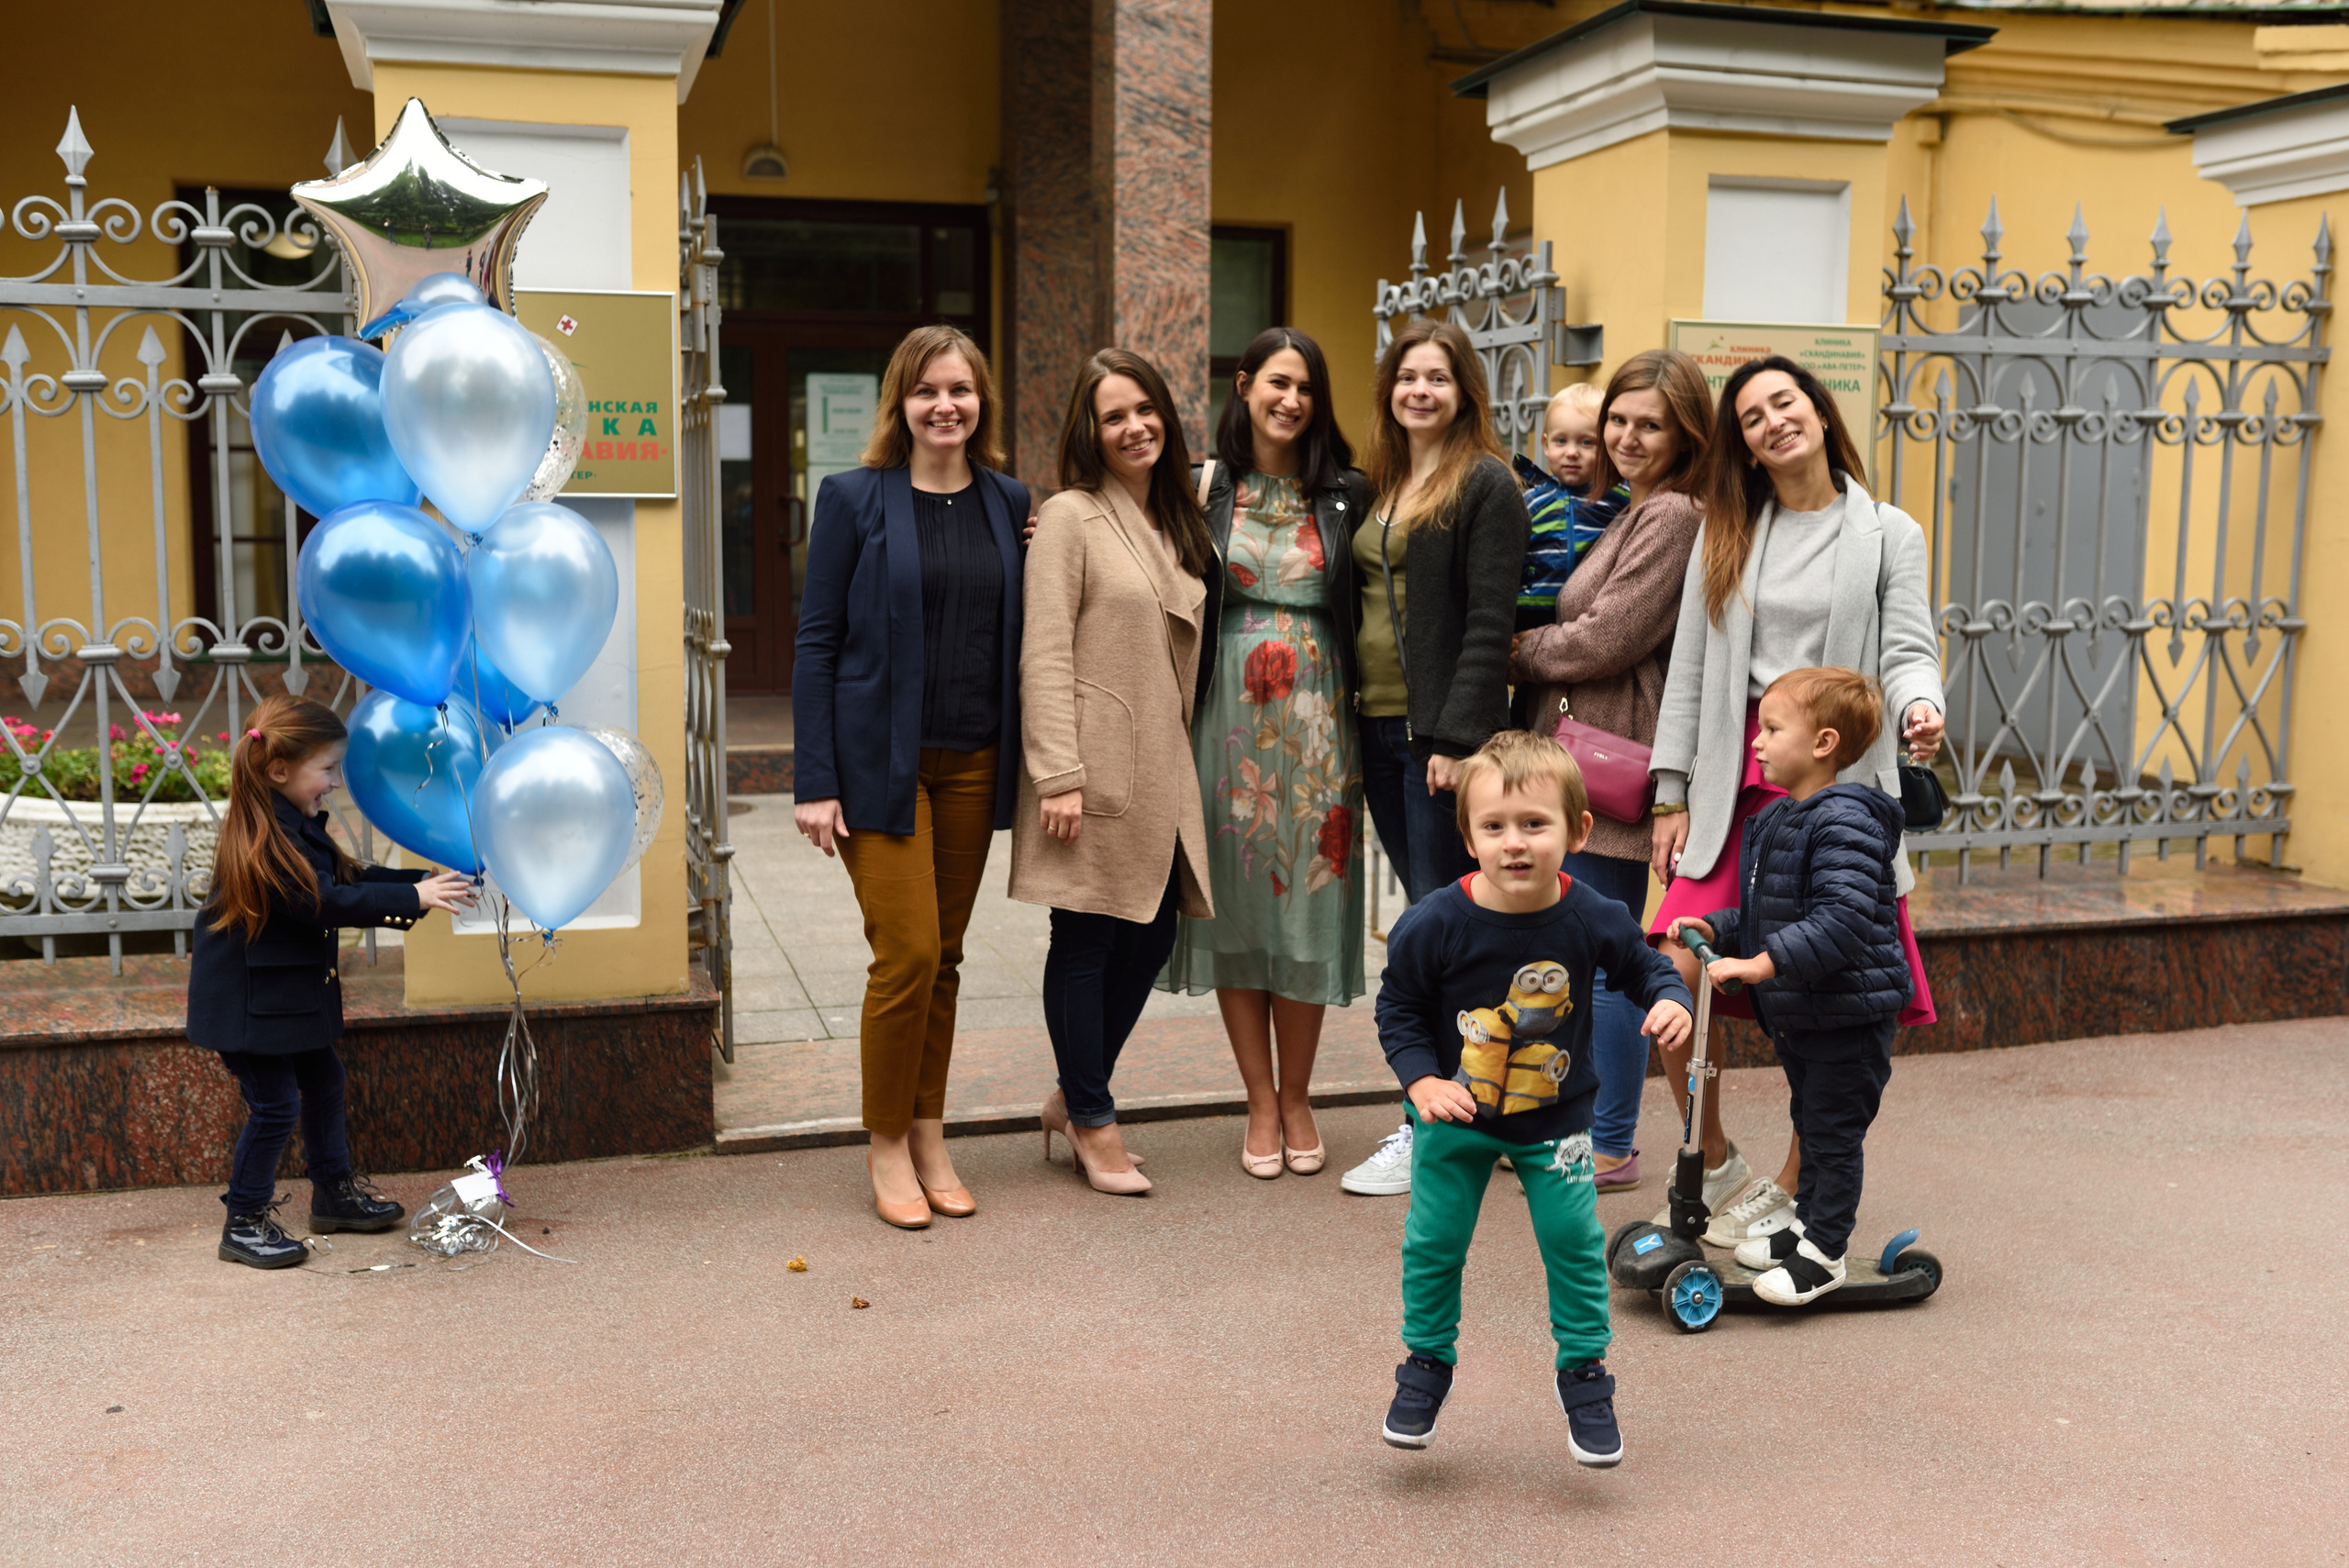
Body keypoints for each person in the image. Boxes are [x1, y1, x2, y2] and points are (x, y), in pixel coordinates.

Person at [1648, 355, 1946, 1246]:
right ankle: (1714, 1158)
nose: (1771, 420)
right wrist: (1669, 791)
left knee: (1825, 998)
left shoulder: (1889, 531)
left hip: (1833, 787)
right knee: (1675, 973)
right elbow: (1691, 671)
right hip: (1732, 779)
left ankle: (1794, 1179)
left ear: (1817, 411)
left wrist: (1919, 704)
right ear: (1740, 442)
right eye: (1750, 415)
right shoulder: (1727, 528)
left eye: (1784, 402)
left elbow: (1905, 648)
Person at [1372, 731, 1692, 1462]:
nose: (1514, 843)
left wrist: (1670, 997)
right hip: (1455, 1118)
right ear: (1469, 834)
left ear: (1578, 830)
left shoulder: (1594, 914)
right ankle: (1426, 1362)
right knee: (1433, 1243)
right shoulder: (1436, 922)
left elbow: (1648, 968)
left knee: (1575, 1246)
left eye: (1534, 824)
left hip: (1558, 1126)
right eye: (1494, 826)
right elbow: (1399, 1009)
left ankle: (1583, 1371)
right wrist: (1421, 1081)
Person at [791, 325, 1030, 1229]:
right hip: (876, 767)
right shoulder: (855, 498)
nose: (945, 405)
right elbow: (815, 641)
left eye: (961, 390)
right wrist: (816, 778)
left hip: (972, 761)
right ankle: (886, 1138)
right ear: (901, 402)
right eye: (928, 390)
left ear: (981, 404)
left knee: (951, 958)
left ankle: (930, 1130)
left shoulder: (1010, 501)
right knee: (910, 953)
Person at [1160, 327, 1367, 1179]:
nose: (1291, 401)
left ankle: (1299, 1095)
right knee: (1239, 905)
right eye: (1278, 383)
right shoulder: (1203, 485)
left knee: (1309, 905)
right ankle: (1256, 1096)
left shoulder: (1349, 492)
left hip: (1321, 722)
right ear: (1243, 385)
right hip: (1226, 720)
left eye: (1307, 389)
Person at [1012, 348, 1217, 1197]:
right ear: (1089, 432)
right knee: (1088, 934)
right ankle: (1094, 1118)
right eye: (1113, 415)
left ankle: (1072, 1093)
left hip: (1164, 764)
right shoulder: (1068, 515)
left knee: (1156, 930)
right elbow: (1045, 647)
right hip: (1091, 765)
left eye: (1145, 409)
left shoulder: (1181, 517)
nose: (1134, 426)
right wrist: (1058, 770)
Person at [1337, 320, 1529, 1200]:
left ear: (1464, 391)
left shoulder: (1487, 483)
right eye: (1407, 376)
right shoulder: (1379, 485)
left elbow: (1493, 622)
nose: (1420, 390)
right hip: (1377, 727)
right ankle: (1477, 1110)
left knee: (1437, 925)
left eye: (1438, 377)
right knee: (1436, 919)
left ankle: (1439, 1124)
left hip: (1437, 742)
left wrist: (1458, 739)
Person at [1511, 350, 1711, 1195]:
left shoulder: (1673, 514)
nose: (1626, 437)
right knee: (1583, 946)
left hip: (1615, 752)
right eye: (1618, 421)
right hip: (1584, 743)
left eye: (1649, 423)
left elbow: (1607, 637)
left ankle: (1612, 1141)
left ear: (1684, 432)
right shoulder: (1629, 508)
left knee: (1607, 955)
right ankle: (1588, 1128)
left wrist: (1514, 651)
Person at [187, 694, 473, 1269]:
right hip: (249, 1009)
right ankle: (242, 1223)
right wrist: (412, 898)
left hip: (286, 1001)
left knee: (325, 1082)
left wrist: (425, 881)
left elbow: (348, 874)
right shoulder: (265, 839)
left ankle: (334, 1194)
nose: (336, 783)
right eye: (328, 769)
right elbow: (320, 900)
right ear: (278, 770)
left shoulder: (293, 822)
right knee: (274, 1107)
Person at [1667, 668, 1911, 1305]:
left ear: (1825, 742)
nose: (1757, 741)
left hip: (1848, 1016)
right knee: (1810, 1117)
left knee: (1833, 1135)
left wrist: (1760, 965)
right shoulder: (1784, 817)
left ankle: (1825, 1251)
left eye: (1773, 728)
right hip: (1808, 1014)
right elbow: (1766, 910)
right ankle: (1805, 1226)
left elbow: (1842, 920)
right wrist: (1718, 928)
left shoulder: (1845, 823)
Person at [1515, 383, 1629, 640]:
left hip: (1591, 623)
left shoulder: (1619, 499)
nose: (1571, 452)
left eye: (1587, 442)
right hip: (1530, 623)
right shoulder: (1530, 502)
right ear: (1546, 444)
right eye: (1561, 440)